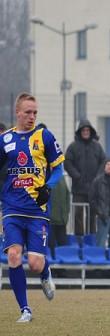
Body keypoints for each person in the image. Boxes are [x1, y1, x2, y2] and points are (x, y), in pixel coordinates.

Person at [0, 92, 65, 322]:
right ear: (17, 113)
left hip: (37, 211)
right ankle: (25, 310)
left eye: (35, 112)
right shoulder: (5, 139)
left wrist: (48, 186)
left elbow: (58, 168)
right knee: (14, 256)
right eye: (28, 112)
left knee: (35, 264)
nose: (32, 116)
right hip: (11, 209)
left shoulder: (44, 136)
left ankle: (45, 272)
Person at [64, 119, 106, 235]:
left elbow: (104, 162)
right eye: (83, 130)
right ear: (80, 132)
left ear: (91, 131)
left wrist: (98, 177)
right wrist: (76, 175)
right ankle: (79, 239)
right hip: (78, 188)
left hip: (94, 189)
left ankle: (91, 238)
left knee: (92, 215)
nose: (86, 132)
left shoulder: (97, 147)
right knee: (78, 214)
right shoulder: (73, 147)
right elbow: (67, 162)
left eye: (88, 130)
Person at [90, 160, 110, 248]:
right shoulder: (97, 181)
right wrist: (99, 212)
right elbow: (92, 199)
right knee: (101, 242)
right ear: (104, 167)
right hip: (103, 216)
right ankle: (99, 260)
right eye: (108, 164)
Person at [48, 174, 70, 250]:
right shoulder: (44, 176)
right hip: (50, 220)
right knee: (50, 245)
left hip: (62, 219)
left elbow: (67, 196)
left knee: (63, 246)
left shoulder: (62, 177)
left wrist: (66, 213)